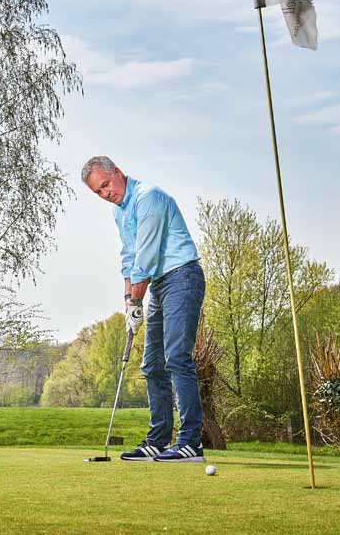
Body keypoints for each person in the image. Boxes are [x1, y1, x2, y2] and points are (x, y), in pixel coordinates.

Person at [81, 156, 207, 462]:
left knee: (176, 357)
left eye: (106, 185)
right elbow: (129, 256)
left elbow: (147, 258)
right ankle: (158, 439)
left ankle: (191, 442)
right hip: (160, 285)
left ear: (119, 173)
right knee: (152, 365)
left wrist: (136, 299)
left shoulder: (148, 197)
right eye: (98, 192)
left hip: (182, 276)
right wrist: (129, 301)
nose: (105, 194)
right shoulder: (119, 212)